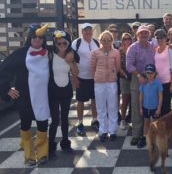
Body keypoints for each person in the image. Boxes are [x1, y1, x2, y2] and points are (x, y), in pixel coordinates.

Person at [0, 24, 50, 166]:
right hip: (24, 96)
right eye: (34, 36)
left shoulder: (48, 53)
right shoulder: (21, 54)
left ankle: (42, 153)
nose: (37, 39)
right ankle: (28, 155)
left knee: (42, 124)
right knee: (26, 124)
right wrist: (6, 89)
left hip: (43, 97)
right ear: (29, 38)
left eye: (40, 37)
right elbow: (4, 69)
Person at [48, 30, 79, 159]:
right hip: (53, 90)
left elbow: (76, 73)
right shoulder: (50, 55)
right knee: (55, 120)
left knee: (65, 119)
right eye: (58, 43)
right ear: (55, 43)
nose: (61, 45)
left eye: (64, 43)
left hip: (66, 90)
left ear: (68, 43)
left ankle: (65, 144)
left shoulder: (71, 55)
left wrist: (71, 61)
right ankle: (50, 147)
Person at [126, 25, 156, 148]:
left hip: (151, 79)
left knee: (149, 106)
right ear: (137, 35)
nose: (144, 35)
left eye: (146, 33)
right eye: (141, 33)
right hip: (137, 78)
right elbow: (129, 65)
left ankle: (148, 134)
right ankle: (136, 135)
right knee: (137, 108)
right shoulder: (133, 47)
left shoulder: (153, 47)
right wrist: (139, 76)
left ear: (149, 35)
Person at [91, 31, 121, 142]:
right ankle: (103, 130)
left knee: (113, 107)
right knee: (101, 107)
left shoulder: (116, 52)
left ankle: (112, 131)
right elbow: (92, 67)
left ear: (112, 41)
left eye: (108, 39)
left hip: (111, 82)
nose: (106, 42)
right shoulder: (95, 53)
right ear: (100, 40)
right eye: (103, 39)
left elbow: (118, 67)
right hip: (99, 82)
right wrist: (98, 76)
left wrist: (112, 74)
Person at [71, 23, 100, 136]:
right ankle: (80, 123)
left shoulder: (96, 42)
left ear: (92, 32)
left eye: (89, 30)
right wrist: (74, 77)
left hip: (94, 77)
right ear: (82, 31)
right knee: (80, 101)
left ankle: (94, 120)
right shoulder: (76, 43)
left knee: (94, 100)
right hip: (81, 77)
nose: (88, 32)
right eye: (85, 30)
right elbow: (71, 60)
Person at [154, 29, 172, 116]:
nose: (160, 39)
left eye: (162, 37)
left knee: (166, 107)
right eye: (158, 38)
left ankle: (166, 128)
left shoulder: (170, 49)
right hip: (156, 82)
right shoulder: (155, 49)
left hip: (167, 82)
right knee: (157, 106)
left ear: (166, 38)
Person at [139, 64, 163, 144]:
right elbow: (141, 96)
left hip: (155, 108)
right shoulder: (143, 83)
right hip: (145, 107)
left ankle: (154, 139)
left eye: (151, 73)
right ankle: (145, 138)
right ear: (145, 73)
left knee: (154, 124)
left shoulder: (158, 83)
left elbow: (160, 97)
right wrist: (141, 108)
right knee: (146, 123)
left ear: (155, 73)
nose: (150, 75)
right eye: (148, 73)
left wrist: (159, 108)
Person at [119, 33, 133, 130]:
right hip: (124, 78)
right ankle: (123, 120)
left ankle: (133, 119)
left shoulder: (134, 49)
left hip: (134, 78)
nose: (126, 40)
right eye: (124, 39)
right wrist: (124, 74)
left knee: (134, 100)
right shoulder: (119, 51)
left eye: (128, 38)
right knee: (125, 100)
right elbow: (118, 66)